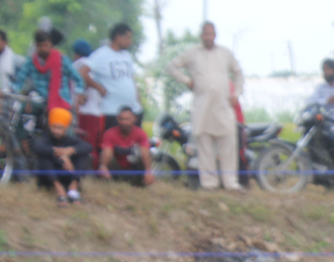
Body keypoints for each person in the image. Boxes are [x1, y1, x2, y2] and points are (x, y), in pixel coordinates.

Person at [166, 21, 245, 191]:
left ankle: (230, 182)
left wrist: (236, 94)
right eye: (205, 33)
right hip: (202, 107)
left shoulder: (225, 53)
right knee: (205, 146)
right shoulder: (192, 53)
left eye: (211, 33)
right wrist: (187, 80)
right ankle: (209, 184)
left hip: (223, 106)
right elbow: (171, 66)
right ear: (201, 35)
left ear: (215, 35)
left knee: (228, 144)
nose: (208, 37)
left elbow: (238, 72)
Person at [83, 23, 142, 132]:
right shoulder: (101, 54)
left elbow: (132, 80)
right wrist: (98, 87)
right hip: (111, 111)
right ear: (117, 37)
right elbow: (82, 72)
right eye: (127, 38)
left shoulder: (127, 56)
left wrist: (138, 102)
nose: (130, 41)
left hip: (133, 111)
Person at [12, 30, 84, 112]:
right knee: (20, 112)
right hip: (40, 102)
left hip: (61, 102)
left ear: (51, 45)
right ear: (36, 46)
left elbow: (78, 79)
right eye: (40, 46)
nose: (43, 48)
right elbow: (20, 79)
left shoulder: (62, 60)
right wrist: (12, 89)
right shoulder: (31, 62)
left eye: (46, 45)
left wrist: (78, 95)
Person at [32, 107, 91, 206]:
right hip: (48, 179)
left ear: (66, 128)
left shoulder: (70, 140)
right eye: (54, 127)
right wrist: (61, 155)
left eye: (60, 128)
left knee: (83, 155)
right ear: (49, 126)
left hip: (67, 175)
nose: (56, 131)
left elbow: (88, 147)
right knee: (44, 156)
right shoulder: (45, 138)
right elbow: (37, 147)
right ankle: (59, 190)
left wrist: (70, 150)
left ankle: (73, 187)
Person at [98, 106, 154, 186]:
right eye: (121, 119)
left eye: (127, 119)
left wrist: (148, 170)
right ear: (117, 119)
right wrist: (103, 166)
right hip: (116, 168)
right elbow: (107, 152)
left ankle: (140, 182)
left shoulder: (140, 133)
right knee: (104, 158)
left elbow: (145, 152)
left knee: (144, 154)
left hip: (133, 168)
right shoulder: (109, 133)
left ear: (134, 119)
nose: (124, 122)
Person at [71, 40, 103, 168]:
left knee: (81, 143)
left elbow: (82, 78)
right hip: (89, 111)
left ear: (76, 54)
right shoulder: (86, 64)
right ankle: (88, 170)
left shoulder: (79, 64)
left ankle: (82, 169)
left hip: (82, 111)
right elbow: (83, 77)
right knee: (89, 144)